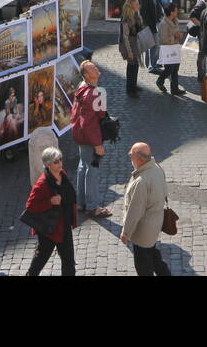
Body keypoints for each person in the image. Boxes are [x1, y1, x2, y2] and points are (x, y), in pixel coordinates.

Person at [24, 146, 78, 276]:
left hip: (64, 225)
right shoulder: (42, 184)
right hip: (49, 229)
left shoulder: (62, 174)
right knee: (40, 259)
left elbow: (71, 194)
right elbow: (30, 206)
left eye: (60, 159)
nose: (60, 163)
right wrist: (49, 202)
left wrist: (62, 199)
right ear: (47, 164)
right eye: (56, 161)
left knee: (69, 261)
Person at [120, 142, 171, 276]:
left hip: (143, 232)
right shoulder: (157, 168)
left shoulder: (141, 182)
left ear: (139, 159)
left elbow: (135, 211)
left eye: (131, 155)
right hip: (154, 225)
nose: (130, 158)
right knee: (154, 256)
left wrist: (126, 233)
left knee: (143, 267)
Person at [69, 60, 110, 219]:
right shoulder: (95, 92)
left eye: (95, 66)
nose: (96, 68)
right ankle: (92, 207)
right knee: (92, 169)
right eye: (92, 68)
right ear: (86, 75)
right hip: (89, 137)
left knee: (82, 166)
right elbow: (90, 122)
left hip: (79, 134)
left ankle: (80, 202)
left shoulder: (82, 86)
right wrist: (98, 144)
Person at [155, 2, 186, 96]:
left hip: (175, 48)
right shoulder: (164, 24)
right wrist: (175, 36)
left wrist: (179, 35)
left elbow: (175, 32)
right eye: (176, 10)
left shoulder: (175, 20)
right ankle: (160, 81)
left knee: (175, 69)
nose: (177, 11)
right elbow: (163, 40)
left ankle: (174, 89)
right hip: (167, 50)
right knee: (169, 70)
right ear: (171, 12)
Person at [117, 0, 142, 97]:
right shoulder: (126, 18)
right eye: (136, 4)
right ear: (131, 5)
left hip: (135, 44)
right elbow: (125, 37)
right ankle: (130, 89)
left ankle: (133, 85)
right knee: (131, 66)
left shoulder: (136, 15)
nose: (138, 6)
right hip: (129, 45)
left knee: (135, 65)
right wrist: (129, 52)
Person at [139, 0, 163, 74]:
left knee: (153, 44)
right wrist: (151, 24)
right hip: (149, 23)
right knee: (154, 44)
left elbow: (157, 5)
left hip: (153, 22)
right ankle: (152, 66)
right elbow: (143, 11)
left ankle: (152, 63)